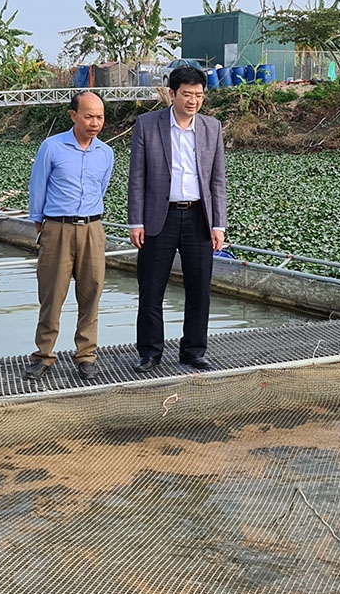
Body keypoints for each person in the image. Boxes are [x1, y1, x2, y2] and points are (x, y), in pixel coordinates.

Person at [127, 65, 227, 372]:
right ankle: (150, 352)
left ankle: (193, 351)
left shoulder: (212, 127)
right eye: (187, 94)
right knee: (151, 288)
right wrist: (135, 222)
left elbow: (217, 180)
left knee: (199, 289)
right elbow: (137, 177)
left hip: (198, 217)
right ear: (172, 94)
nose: (193, 101)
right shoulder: (147, 125)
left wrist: (218, 224)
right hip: (159, 218)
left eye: (199, 95)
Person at [23, 91, 115, 382]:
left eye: (99, 117)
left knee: (91, 292)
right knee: (52, 294)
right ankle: (43, 355)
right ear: (73, 115)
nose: (95, 123)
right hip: (57, 228)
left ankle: (86, 355)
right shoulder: (52, 147)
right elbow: (38, 186)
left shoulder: (106, 153)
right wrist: (40, 224)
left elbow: (101, 188)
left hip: (92, 229)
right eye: (88, 117)